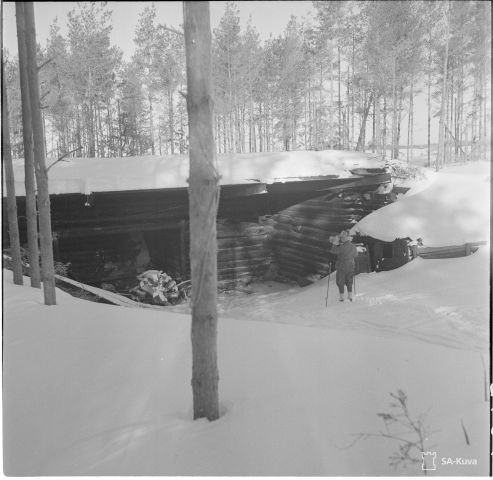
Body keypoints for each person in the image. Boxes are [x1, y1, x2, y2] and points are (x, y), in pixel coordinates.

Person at [329, 230, 358, 302]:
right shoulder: (353, 246)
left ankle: (342, 297)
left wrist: (334, 243)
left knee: (340, 282)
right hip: (351, 266)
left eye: (342, 238)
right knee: (349, 281)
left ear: (344, 238)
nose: (341, 239)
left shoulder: (341, 247)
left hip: (342, 267)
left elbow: (333, 251)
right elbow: (355, 255)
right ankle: (350, 296)